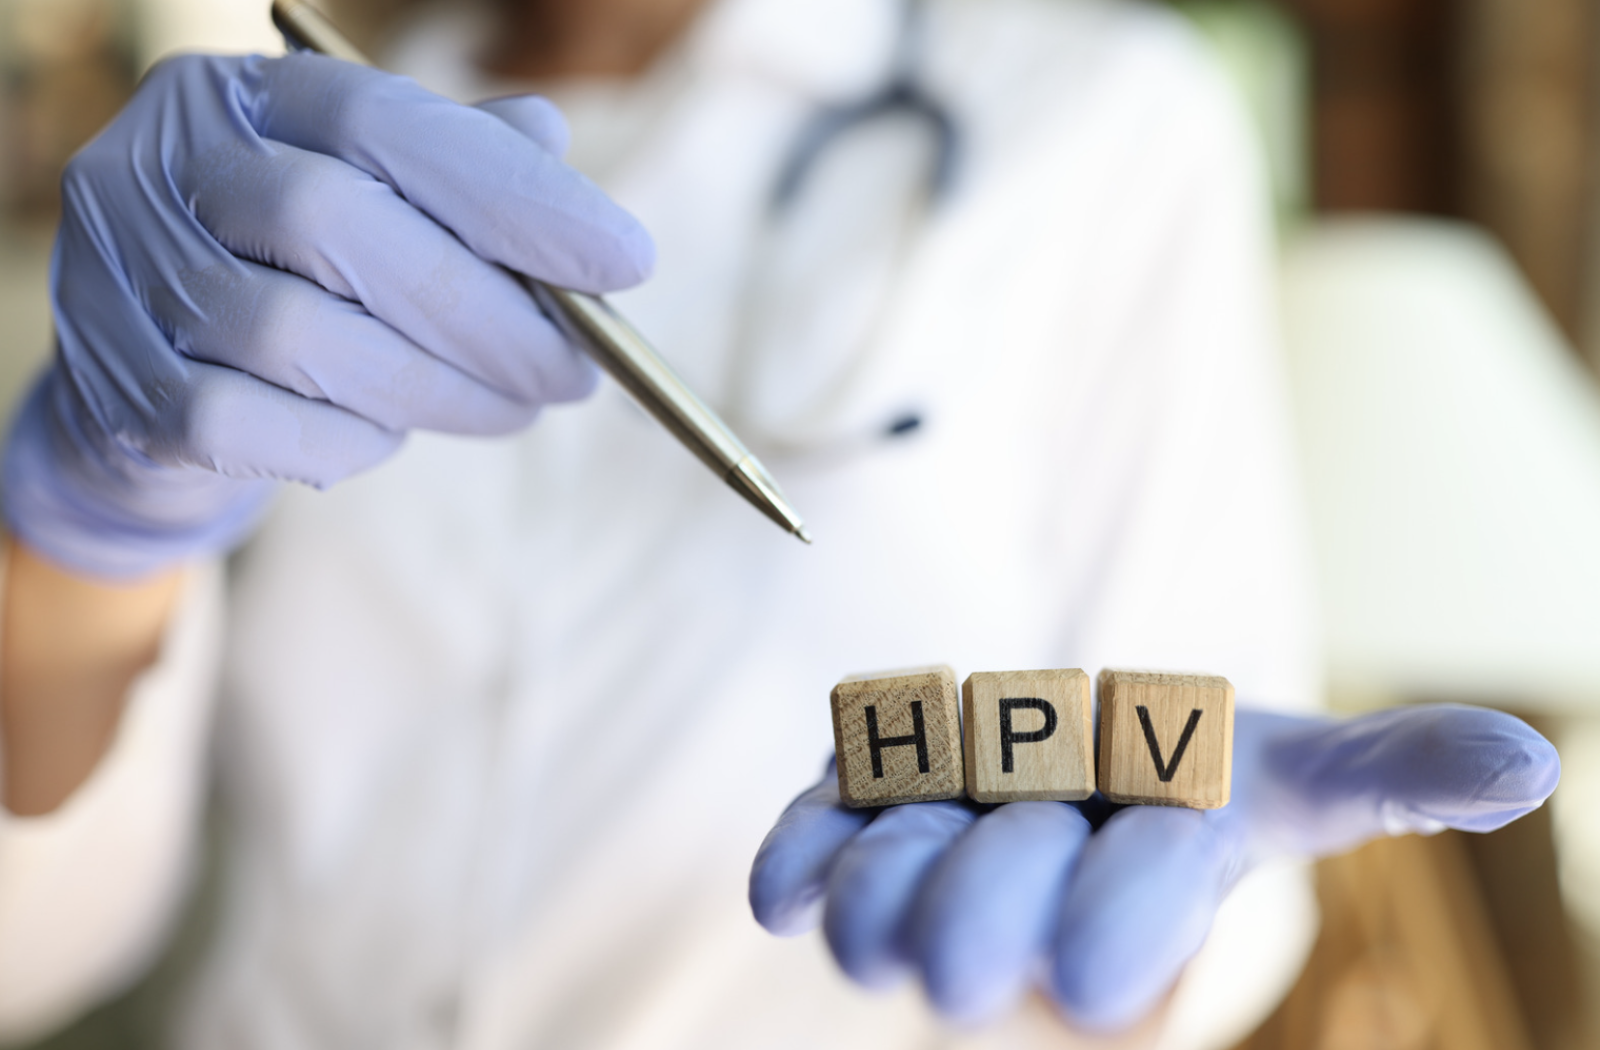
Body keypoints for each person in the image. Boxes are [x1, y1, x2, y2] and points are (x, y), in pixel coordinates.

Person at [0, 0, 1559, 1046]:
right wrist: (81, 524)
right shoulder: (270, 169)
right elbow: (47, 933)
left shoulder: (1106, 122)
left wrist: (1144, 922)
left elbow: (1196, 871)